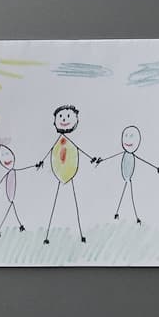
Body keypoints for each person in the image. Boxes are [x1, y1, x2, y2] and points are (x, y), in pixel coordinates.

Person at [35, 104, 100, 244]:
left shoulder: (71, 143)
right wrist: (41, 163)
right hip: (59, 172)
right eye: (61, 117)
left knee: (74, 199)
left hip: (69, 171)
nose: (64, 119)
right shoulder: (58, 142)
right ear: (55, 121)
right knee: (56, 200)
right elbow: (49, 153)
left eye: (68, 116)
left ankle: (81, 233)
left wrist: (92, 159)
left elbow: (81, 151)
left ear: (75, 119)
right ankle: (48, 235)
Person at [93, 124, 159, 223]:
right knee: (125, 191)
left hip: (128, 175)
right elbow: (112, 156)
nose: (128, 140)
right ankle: (122, 213)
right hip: (125, 175)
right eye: (126, 136)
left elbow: (143, 160)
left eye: (131, 137)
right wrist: (101, 160)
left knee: (129, 193)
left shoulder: (131, 155)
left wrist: (155, 167)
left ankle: (133, 216)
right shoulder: (124, 153)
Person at [0, 142, 39, 235]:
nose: (6, 158)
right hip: (9, 193)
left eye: (7, 154)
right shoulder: (8, 173)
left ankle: (4, 228)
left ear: (13, 156)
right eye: (3, 156)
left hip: (12, 194)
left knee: (12, 207)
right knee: (11, 206)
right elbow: (2, 179)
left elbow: (25, 168)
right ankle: (15, 226)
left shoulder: (13, 172)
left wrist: (35, 165)